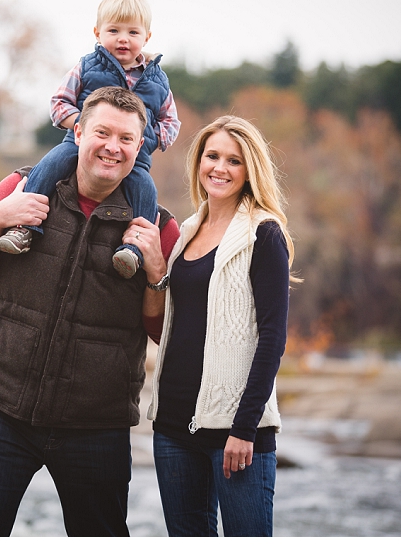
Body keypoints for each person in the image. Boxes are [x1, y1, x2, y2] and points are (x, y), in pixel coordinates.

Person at [0, 86, 180, 536]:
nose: (113, 147)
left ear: (140, 147)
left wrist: (155, 271)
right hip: (1, 408)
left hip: (96, 424)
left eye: (127, 139)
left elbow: (160, 331)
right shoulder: (19, 189)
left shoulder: (156, 228)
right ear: (78, 131)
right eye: (103, 133)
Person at [141, 116, 296, 537]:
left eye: (234, 160)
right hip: (173, 430)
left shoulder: (263, 235)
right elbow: (177, 326)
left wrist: (244, 429)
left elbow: (272, 339)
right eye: (212, 156)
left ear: (250, 170)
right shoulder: (187, 232)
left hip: (236, 435)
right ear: (198, 161)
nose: (220, 168)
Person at [0, 0, 181, 283]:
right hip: (78, 144)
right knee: (51, 163)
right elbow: (59, 104)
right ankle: (24, 228)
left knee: (145, 190)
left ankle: (133, 249)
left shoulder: (157, 80)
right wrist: (86, 126)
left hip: (136, 157)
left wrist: (153, 138)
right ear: (97, 33)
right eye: (113, 31)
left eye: (132, 32)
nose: (123, 39)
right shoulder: (88, 66)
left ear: (147, 37)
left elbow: (171, 120)